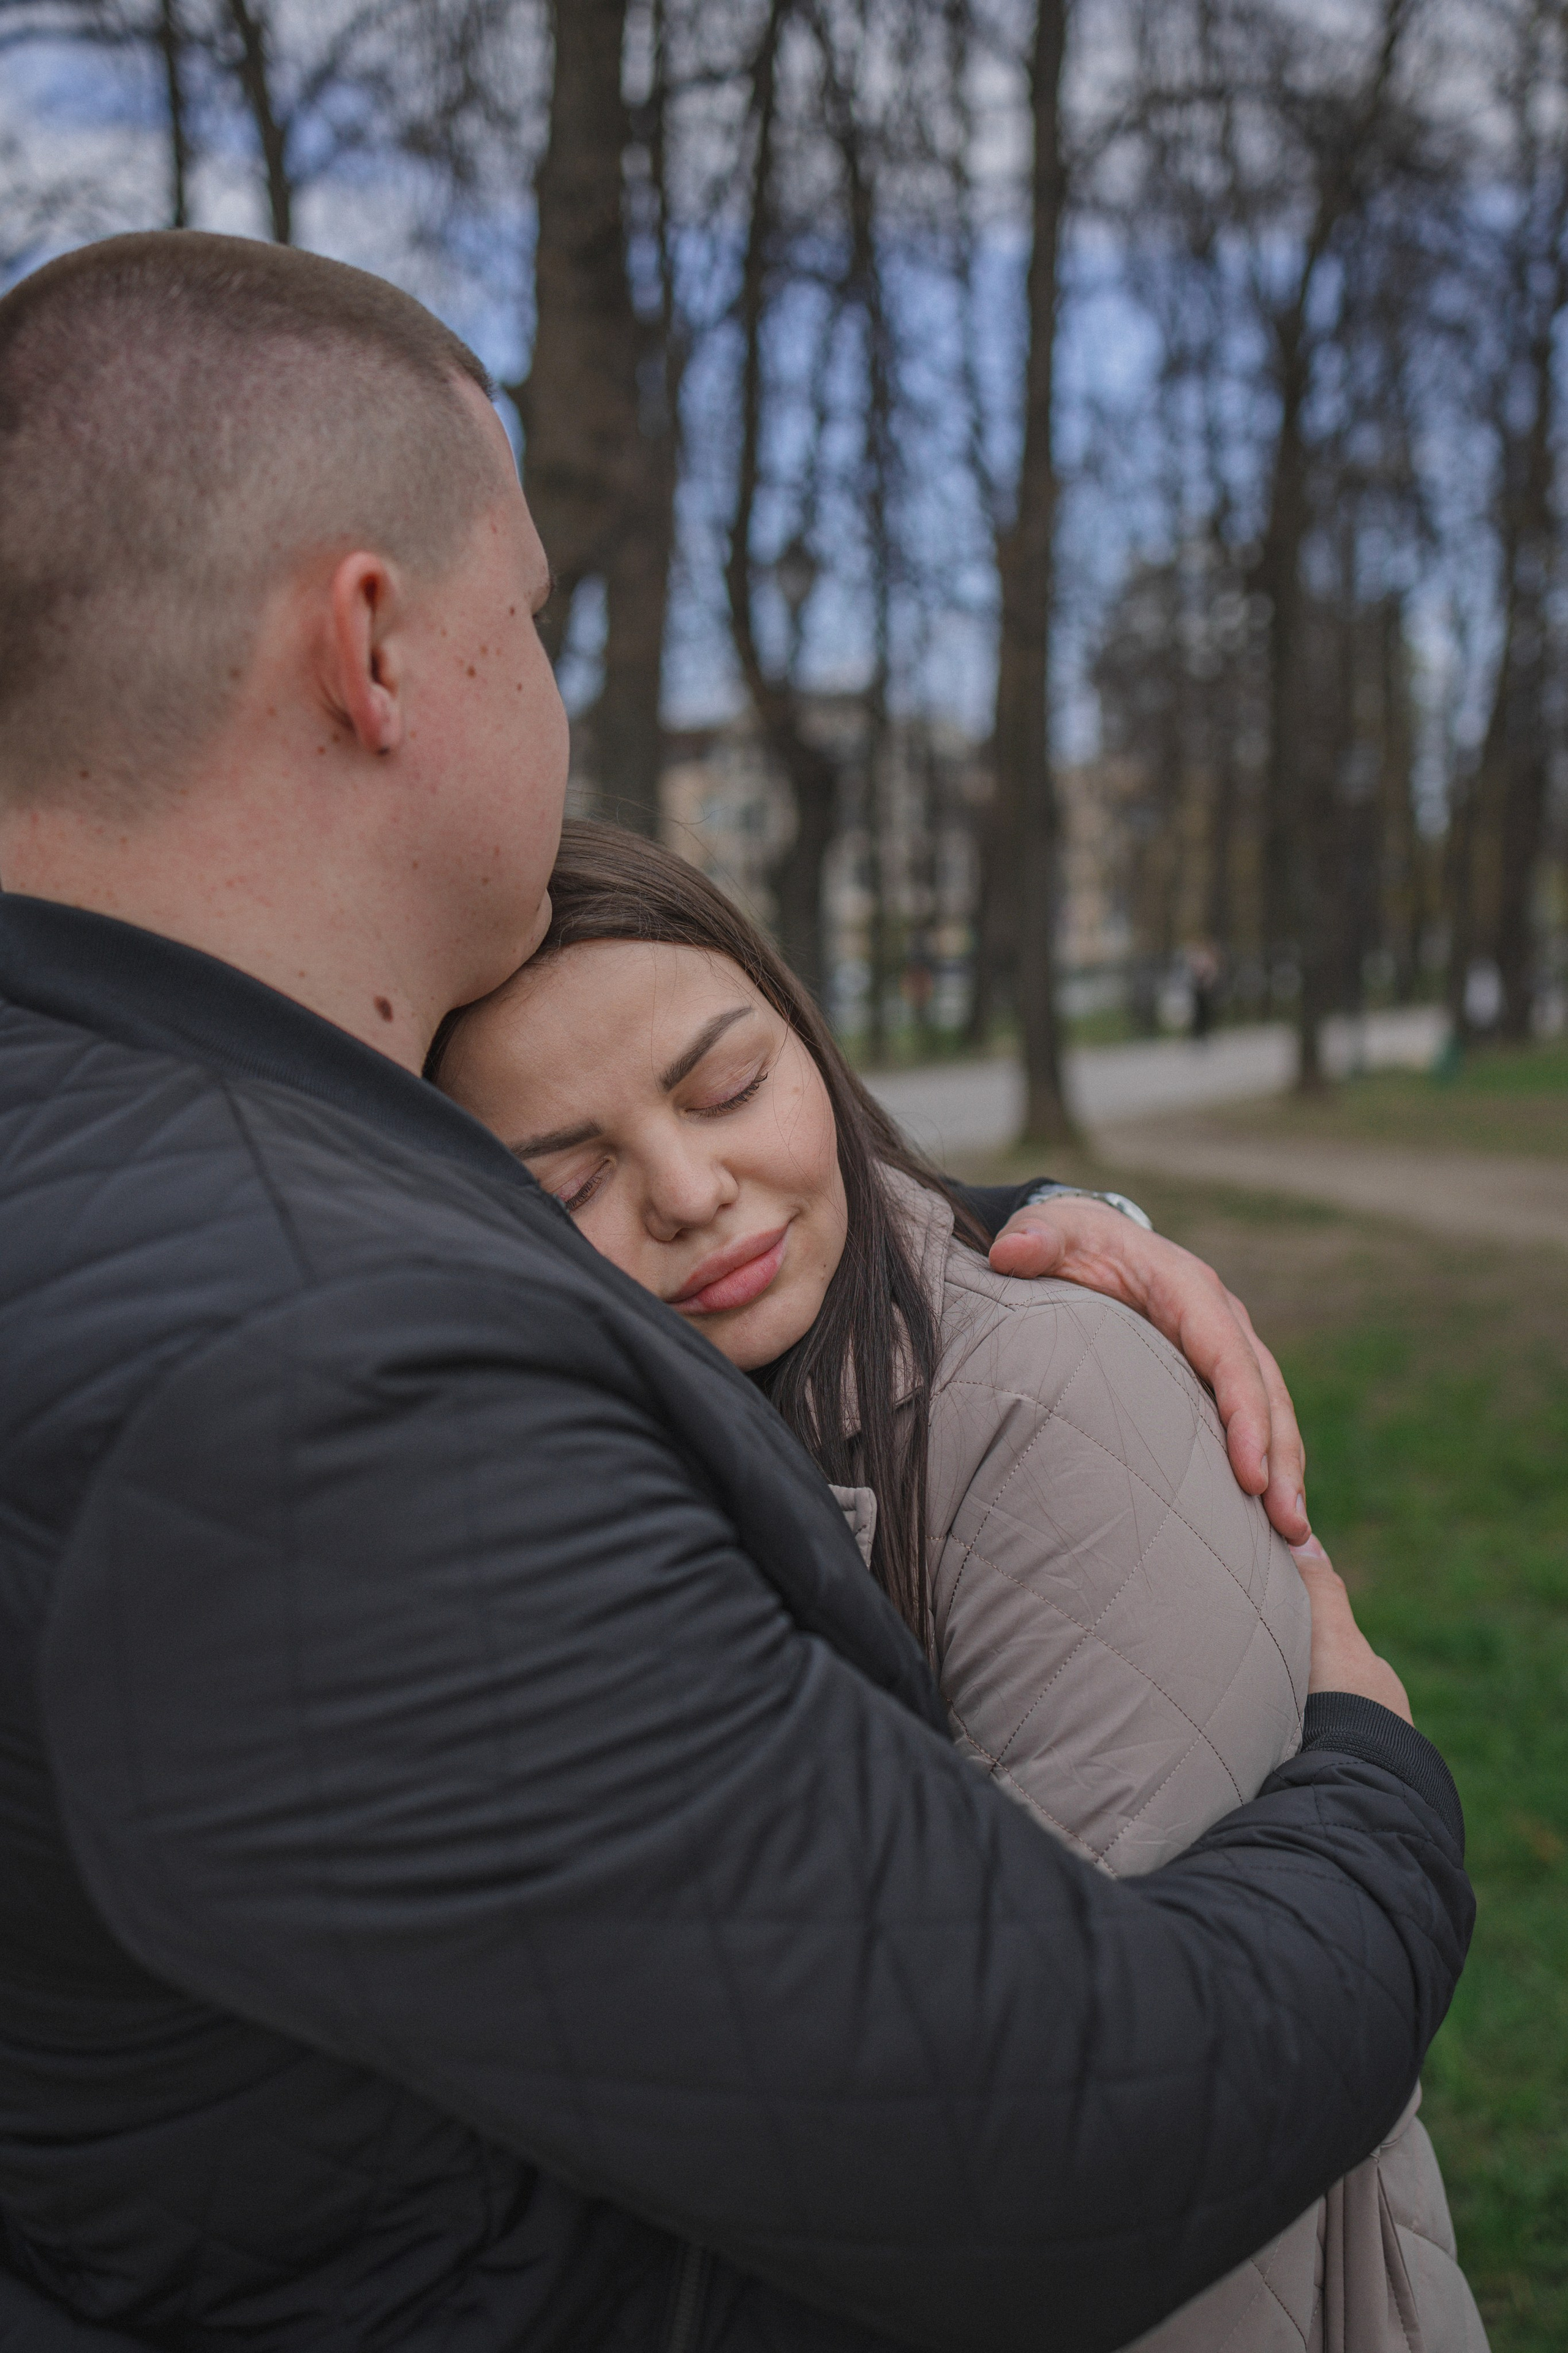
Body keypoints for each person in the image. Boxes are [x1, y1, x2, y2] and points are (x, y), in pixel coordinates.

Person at [0, 230, 1471, 2353]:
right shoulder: (316, 1396)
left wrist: (984, 1233)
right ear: (376, 647)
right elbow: (1056, 2143)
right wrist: (1377, 1771)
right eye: (530, 615)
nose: (553, 681)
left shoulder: (145, 1156)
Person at [433, 819, 1488, 2353]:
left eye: (724, 1086)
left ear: (809, 1049)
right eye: (567, 1183)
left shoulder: (1045, 1408)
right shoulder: (593, 1453)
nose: (687, 1188)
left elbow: (1147, 2151)